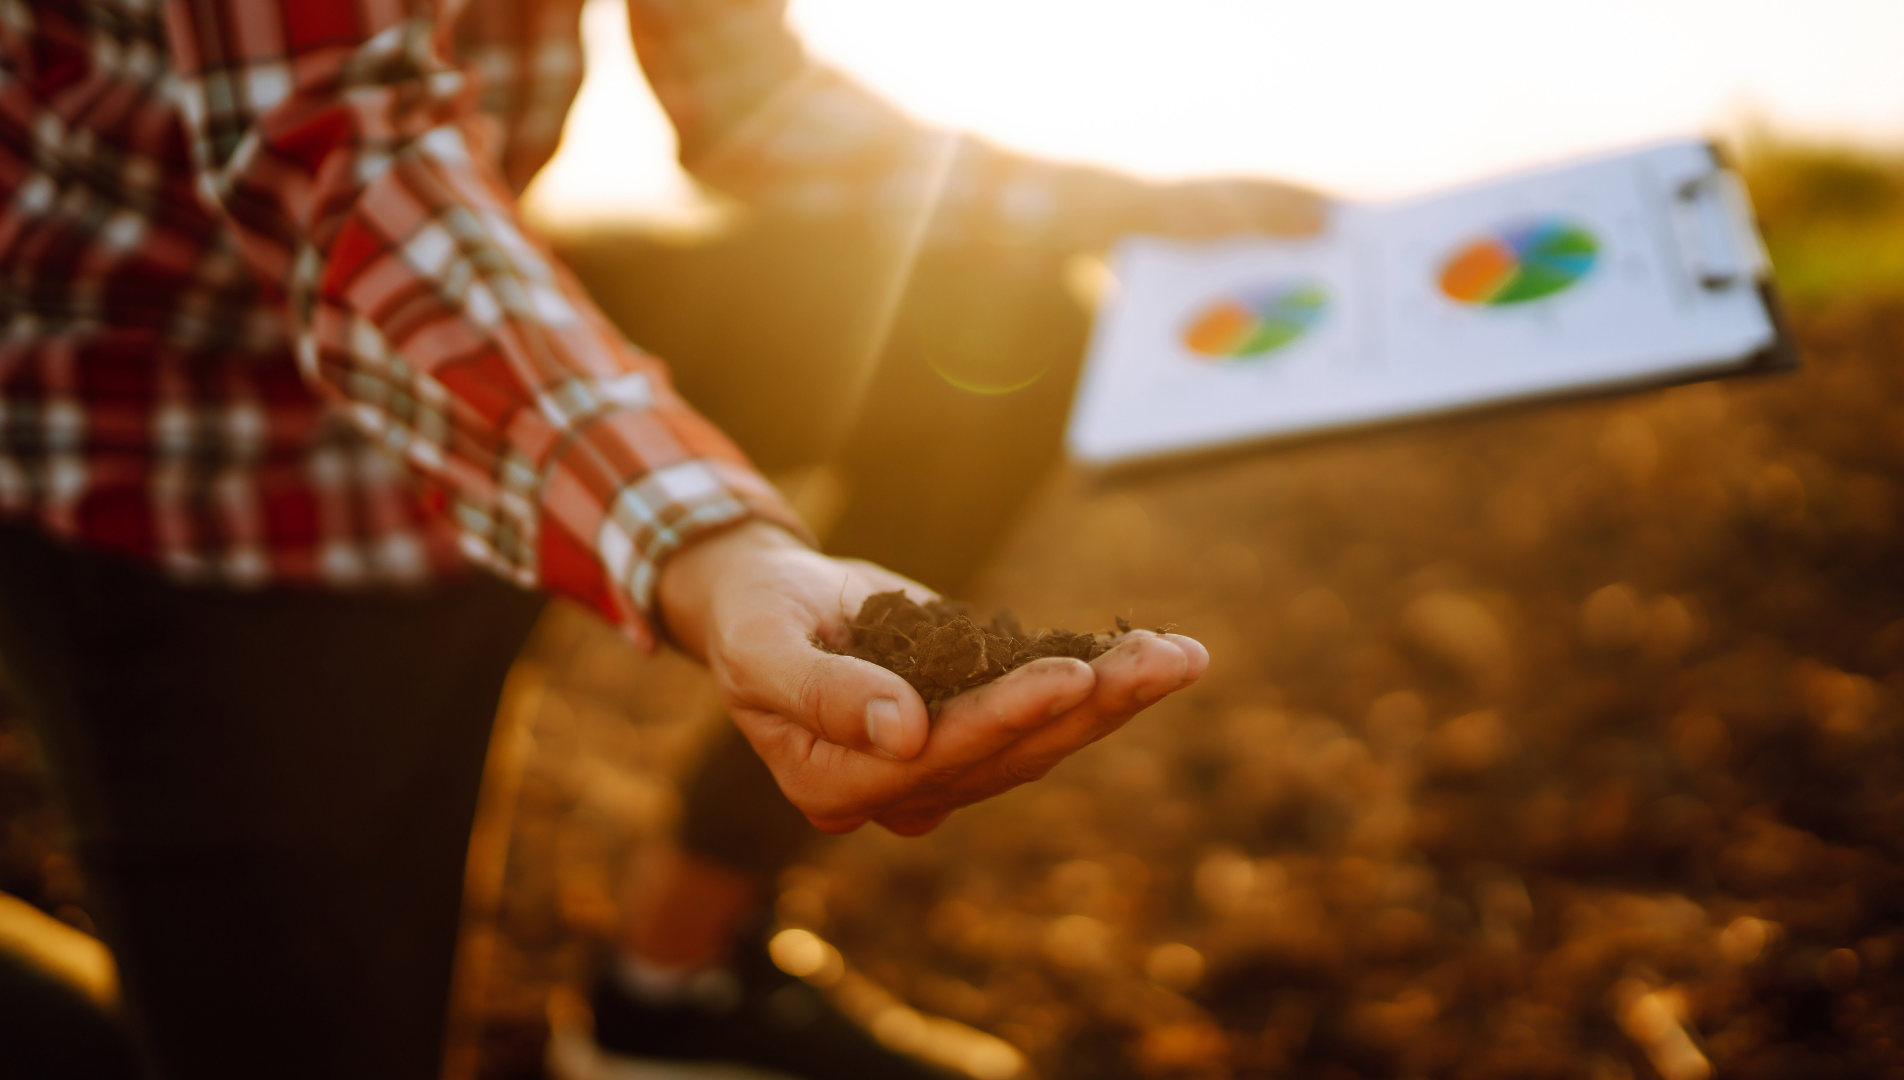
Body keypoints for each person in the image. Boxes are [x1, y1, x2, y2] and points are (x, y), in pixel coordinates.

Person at [0, 2, 1315, 1078]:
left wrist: (1121, 207)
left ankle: (667, 991)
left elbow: (747, 97)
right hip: (192, 442)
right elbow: (340, 161)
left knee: (1000, 333)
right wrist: (713, 544)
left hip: (493, 310)